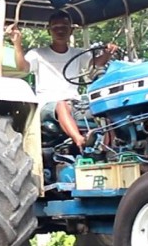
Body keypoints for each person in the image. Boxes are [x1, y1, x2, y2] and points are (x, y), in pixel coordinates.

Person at [8, 9, 118, 151]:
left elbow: (95, 64)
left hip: (75, 103)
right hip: (47, 105)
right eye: (55, 28)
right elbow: (23, 67)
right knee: (61, 105)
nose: (60, 31)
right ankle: (80, 140)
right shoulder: (37, 54)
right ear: (49, 31)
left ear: (71, 31)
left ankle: (115, 147)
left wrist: (108, 53)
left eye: (64, 27)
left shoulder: (78, 54)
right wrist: (17, 44)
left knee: (105, 108)